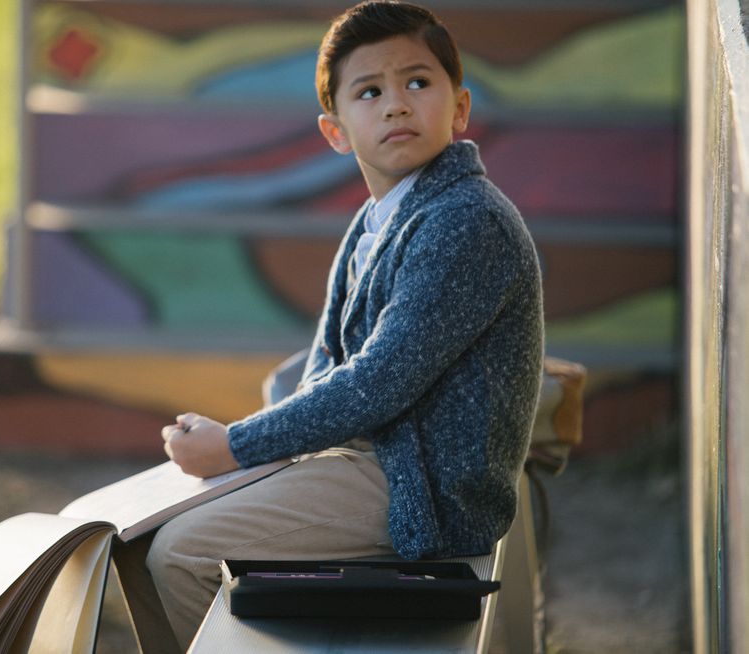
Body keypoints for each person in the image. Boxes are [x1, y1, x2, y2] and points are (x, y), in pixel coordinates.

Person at [112, 2, 543, 651]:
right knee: (136, 537)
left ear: (459, 108)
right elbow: (328, 369)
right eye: (370, 91)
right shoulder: (380, 219)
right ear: (336, 131)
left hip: (421, 485)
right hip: (371, 459)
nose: (396, 104)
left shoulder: (466, 221)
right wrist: (249, 449)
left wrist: (235, 447)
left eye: (417, 82)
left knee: (181, 554)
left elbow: (377, 383)